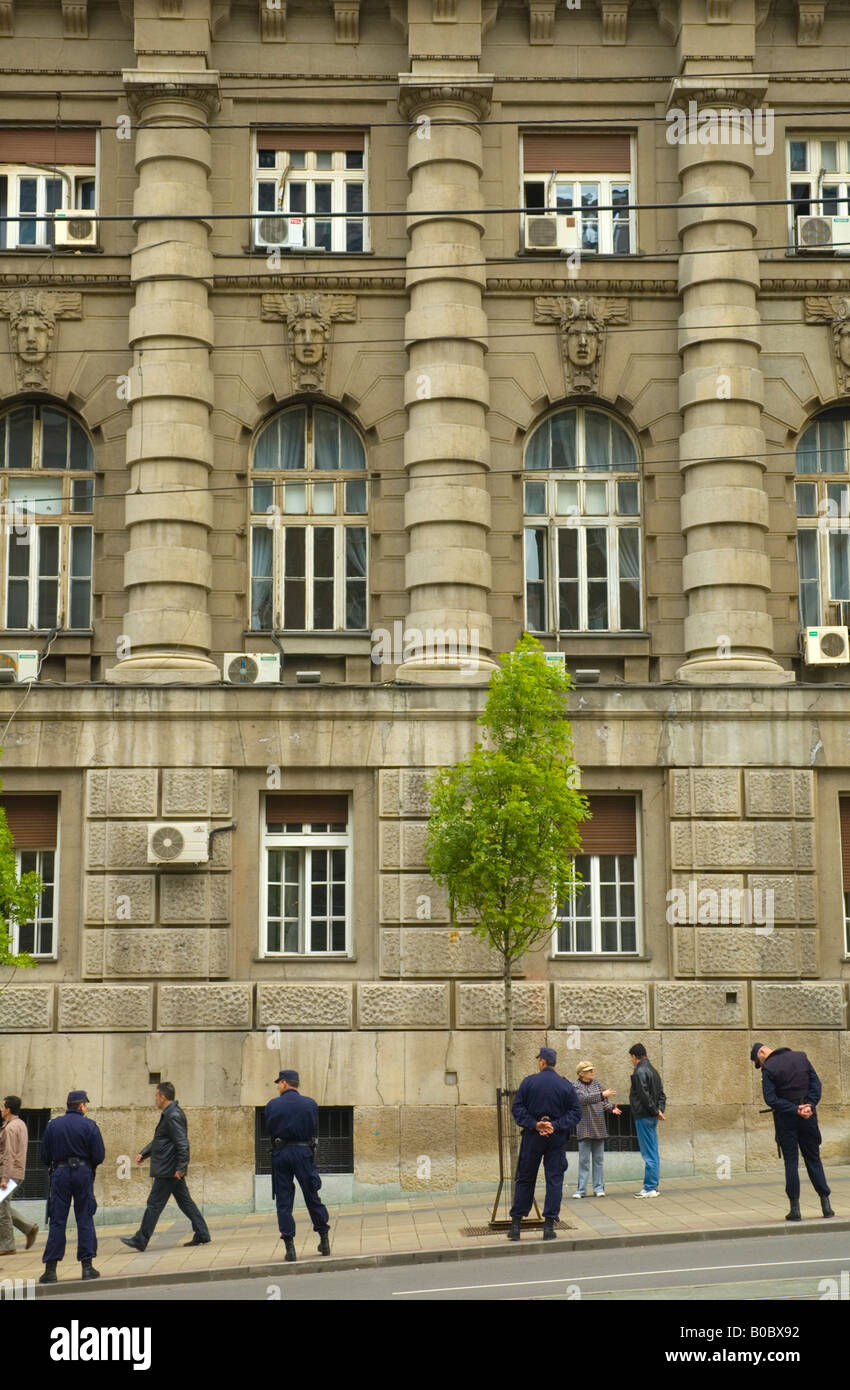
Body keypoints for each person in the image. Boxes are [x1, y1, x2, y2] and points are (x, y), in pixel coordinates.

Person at [120, 1081, 211, 1252]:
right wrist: (144, 1153)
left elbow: (182, 1143)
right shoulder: (169, 1114)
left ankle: (141, 1239)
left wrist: (181, 1168)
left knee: (154, 1204)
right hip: (170, 1169)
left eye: (156, 1096)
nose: (155, 1099)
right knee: (186, 1203)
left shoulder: (173, 1115)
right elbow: (160, 1140)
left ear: (162, 1097)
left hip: (168, 1170)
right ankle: (202, 1233)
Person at [751, 1041, 833, 1221]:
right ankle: (826, 1205)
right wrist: (809, 1106)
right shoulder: (801, 1057)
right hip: (808, 1117)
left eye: (759, 1061)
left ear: (762, 1052)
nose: (761, 1065)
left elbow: (771, 1099)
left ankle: (795, 1209)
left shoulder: (769, 1069)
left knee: (791, 1162)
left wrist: (795, 1109)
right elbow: (816, 1084)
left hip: (786, 1120)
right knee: (813, 1159)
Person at [509, 1047, 582, 1241]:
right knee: (554, 1180)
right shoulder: (565, 1085)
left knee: (525, 1178)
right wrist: (555, 1125)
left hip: (533, 1137)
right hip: (556, 1138)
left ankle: (516, 1225)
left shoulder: (529, 1082)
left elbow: (517, 1107)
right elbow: (576, 1112)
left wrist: (535, 1124)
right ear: (553, 1063)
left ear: (542, 1061)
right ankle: (549, 1226)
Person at [39, 1089, 105, 1283]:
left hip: (60, 1173)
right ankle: (87, 1268)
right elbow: (99, 1155)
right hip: (83, 1173)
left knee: (57, 1220)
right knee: (84, 1217)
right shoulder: (90, 1125)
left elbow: (44, 1156)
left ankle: (50, 1270)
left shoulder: (53, 1126)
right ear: (82, 1105)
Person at [265, 1069, 331, 1262]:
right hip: (303, 1152)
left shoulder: (272, 1105)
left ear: (284, 1083)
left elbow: (269, 1128)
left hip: (281, 1153)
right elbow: (313, 1126)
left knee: (284, 1201)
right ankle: (324, 1240)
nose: (277, 1086)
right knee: (312, 1196)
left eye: (278, 1083)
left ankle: (290, 1247)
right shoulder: (310, 1104)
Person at [572, 1062, 621, 1199]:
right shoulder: (575, 1086)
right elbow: (582, 1099)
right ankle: (581, 1190)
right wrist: (602, 1095)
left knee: (598, 1160)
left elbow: (604, 1102)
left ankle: (599, 1188)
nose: (592, 1072)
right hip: (584, 1128)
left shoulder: (597, 1084)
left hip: (599, 1127)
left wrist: (611, 1108)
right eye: (588, 1071)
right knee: (584, 1161)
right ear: (581, 1073)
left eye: (592, 1070)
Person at [0, 1096, 38, 1254]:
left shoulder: (10, 1128)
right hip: (17, 1171)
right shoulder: (20, 1124)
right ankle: (29, 1228)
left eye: (2, 1106)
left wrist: (4, 1178)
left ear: (8, 1109)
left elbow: (8, 1154)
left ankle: (7, 1246)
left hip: (8, 1173)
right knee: (3, 1204)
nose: (1, 1109)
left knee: (1, 1209)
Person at [629, 1042, 666, 1198]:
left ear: (634, 1056)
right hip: (651, 1116)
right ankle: (652, 1186)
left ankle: (650, 1187)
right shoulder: (654, 1071)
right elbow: (662, 1094)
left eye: (631, 1058)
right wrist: (659, 1111)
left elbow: (644, 1096)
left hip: (643, 1115)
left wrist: (654, 1110)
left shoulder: (639, 1072)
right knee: (653, 1151)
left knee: (649, 1153)